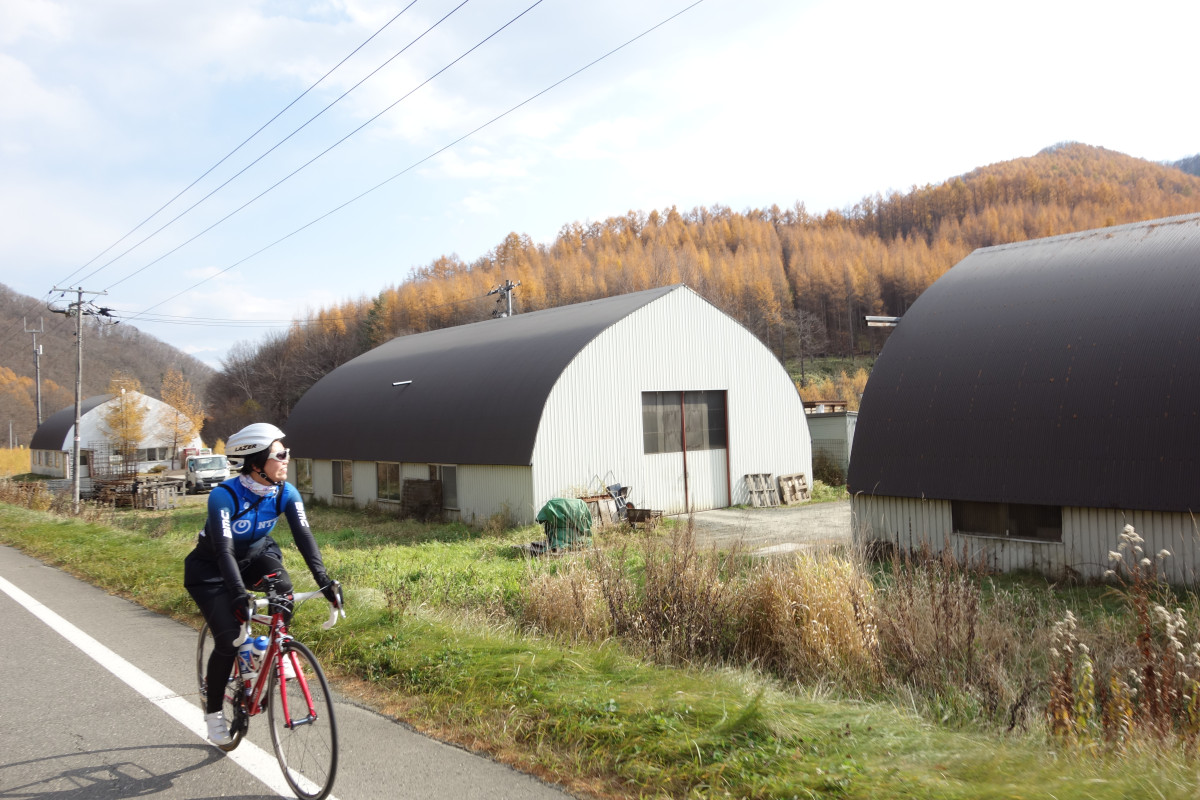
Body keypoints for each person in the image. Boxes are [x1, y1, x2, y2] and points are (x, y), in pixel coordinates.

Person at [184, 422, 339, 746]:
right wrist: (238, 594)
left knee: (283, 591)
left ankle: (271, 647)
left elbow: (304, 537)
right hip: (211, 568)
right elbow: (224, 550)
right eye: (280, 454)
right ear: (256, 464)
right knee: (228, 639)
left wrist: (324, 582)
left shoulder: (286, 492)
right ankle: (214, 715)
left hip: (256, 556)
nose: (286, 459)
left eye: (287, 453)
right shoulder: (223, 496)